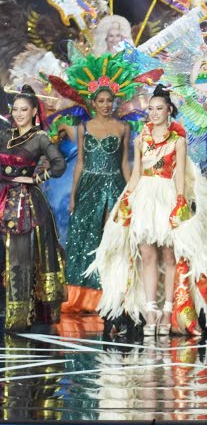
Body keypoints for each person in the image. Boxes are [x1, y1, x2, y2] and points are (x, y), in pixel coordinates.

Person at [92, 86, 207, 337]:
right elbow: (136, 173)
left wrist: (181, 200)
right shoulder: (141, 139)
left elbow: (180, 174)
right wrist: (125, 199)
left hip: (167, 197)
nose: (154, 113)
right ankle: (150, 311)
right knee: (148, 255)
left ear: (169, 111)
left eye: (159, 108)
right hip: (144, 197)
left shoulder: (178, 140)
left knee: (170, 256)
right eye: (150, 109)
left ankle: (167, 311)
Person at [0, 87, 67, 331]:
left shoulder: (39, 138)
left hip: (23, 203)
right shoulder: (4, 135)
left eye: (24, 110)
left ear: (34, 112)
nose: (19, 114)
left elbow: (59, 165)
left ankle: (18, 316)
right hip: (1, 196)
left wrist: (36, 178)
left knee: (21, 258)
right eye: (15, 109)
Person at [61, 84, 131, 314]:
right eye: (100, 101)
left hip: (114, 185)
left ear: (114, 102)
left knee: (112, 239)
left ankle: (113, 293)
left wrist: (131, 194)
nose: (105, 105)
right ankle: (85, 297)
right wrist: (73, 194)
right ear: (93, 103)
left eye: (109, 101)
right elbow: (80, 161)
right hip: (88, 186)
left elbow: (124, 164)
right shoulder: (83, 127)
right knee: (84, 238)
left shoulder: (123, 127)